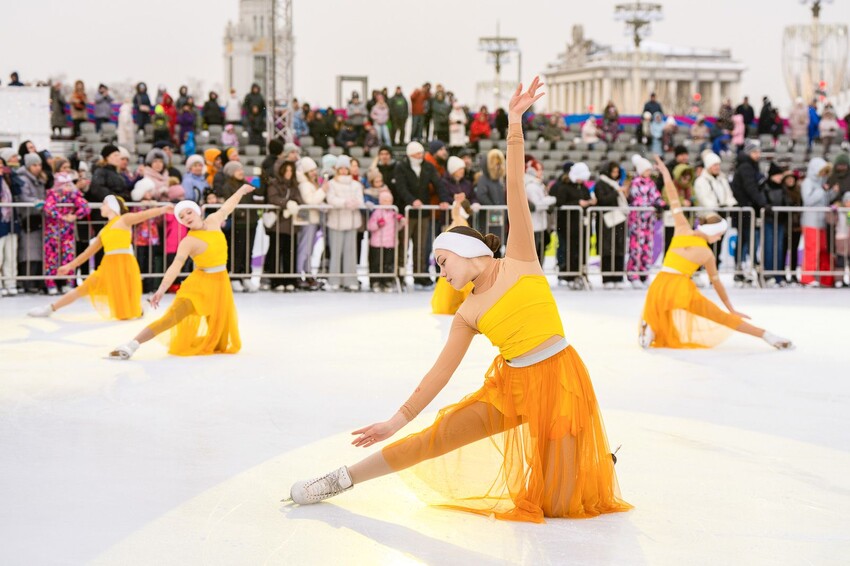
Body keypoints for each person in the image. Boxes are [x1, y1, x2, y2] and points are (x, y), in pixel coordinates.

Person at [286, 79, 632, 523]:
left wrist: (514, 123)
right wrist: (396, 420)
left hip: (561, 378)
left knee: (562, 504)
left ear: (468, 251)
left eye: (443, 260)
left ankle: (597, 463)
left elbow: (513, 187)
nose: (441, 272)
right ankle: (340, 478)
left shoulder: (521, 259)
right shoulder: (466, 313)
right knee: (435, 438)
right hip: (510, 387)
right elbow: (439, 373)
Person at [639, 156, 792, 350]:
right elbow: (717, 284)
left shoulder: (682, 228)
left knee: (660, 309)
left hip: (659, 284)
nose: (719, 238)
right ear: (713, 232)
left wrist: (665, 173)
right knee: (719, 317)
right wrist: (730, 308)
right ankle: (767, 336)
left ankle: (650, 329)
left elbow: (672, 195)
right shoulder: (707, 254)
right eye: (719, 234)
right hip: (681, 288)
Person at [108, 188, 251, 360]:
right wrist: (161, 289)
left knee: (219, 342)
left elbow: (227, 206)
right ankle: (132, 345)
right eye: (182, 217)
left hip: (221, 284)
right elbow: (175, 266)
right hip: (200, 286)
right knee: (172, 317)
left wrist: (241, 191)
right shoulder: (188, 242)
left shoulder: (213, 220)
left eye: (189, 212)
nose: (187, 217)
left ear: (197, 211)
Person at [27, 195, 170, 319]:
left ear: (111, 206)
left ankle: (140, 309)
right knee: (83, 289)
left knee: (126, 312)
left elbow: (143, 215)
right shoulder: (104, 231)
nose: (101, 207)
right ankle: (50, 308)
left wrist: (162, 209)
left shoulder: (124, 219)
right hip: (108, 266)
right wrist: (69, 266)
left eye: (104, 204)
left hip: (125, 265)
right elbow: (87, 253)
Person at [42, 171, 90, 295]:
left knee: (68, 256)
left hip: (68, 232)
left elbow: (85, 206)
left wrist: (75, 215)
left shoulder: (73, 195)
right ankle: (51, 283)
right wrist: (62, 217)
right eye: (65, 184)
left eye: (69, 184)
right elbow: (48, 208)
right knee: (51, 257)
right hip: (52, 231)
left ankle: (68, 282)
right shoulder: (52, 194)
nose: (68, 186)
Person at [430, 194, 475, 312]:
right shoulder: (460, 221)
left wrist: (457, 203)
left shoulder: (460, 220)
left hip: (455, 258)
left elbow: (455, 213)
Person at [325, 155, 364, 291]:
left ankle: (350, 280)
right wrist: (344, 202)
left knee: (350, 252)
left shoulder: (356, 184)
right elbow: (331, 199)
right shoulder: (331, 184)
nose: (343, 171)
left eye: (345, 168)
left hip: (352, 221)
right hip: (336, 221)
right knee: (336, 252)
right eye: (340, 168)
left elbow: (360, 199)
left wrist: (355, 203)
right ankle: (334, 280)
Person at [626, 155, 664, 288]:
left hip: (649, 221)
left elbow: (656, 196)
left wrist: (661, 204)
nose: (649, 172)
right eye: (647, 170)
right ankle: (634, 274)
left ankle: (644, 273)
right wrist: (650, 205)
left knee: (647, 248)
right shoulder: (635, 183)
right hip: (637, 221)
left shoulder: (651, 183)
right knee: (636, 247)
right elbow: (636, 200)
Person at [801, 157, 839, 287]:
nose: (824, 174)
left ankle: (825, 278)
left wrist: (832, 193)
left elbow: (824, 200)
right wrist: (822, 191)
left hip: (821, 222)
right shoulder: (808, 182)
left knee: (823, 249)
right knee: (811, 249)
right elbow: (808, 200)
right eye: (822, 171)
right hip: (810, 222)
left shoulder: (820, 185)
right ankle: (807, 277)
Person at [595, 162, 629, 288]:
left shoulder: (616, 184)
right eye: (613, 172)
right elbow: (603, 200)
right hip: (606, 221)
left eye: (617, 172)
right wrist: (617, 192)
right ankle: (607, 277)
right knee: (607, 249)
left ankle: (618, 277)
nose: (615, 174)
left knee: (619, 248)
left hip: (619, 220)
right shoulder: (601, 184)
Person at [366, 189, 405, 292]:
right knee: (376, 263)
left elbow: (397, 228)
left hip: (390, 243)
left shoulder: (393, 213)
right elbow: (370, 226)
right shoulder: (377, 213)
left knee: (388, 263)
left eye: (389, 201)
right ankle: (375, 281)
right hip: (377, 243)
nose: (387, 203)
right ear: (380, 201)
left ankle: (387, 281)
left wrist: (401, 222)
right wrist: (377, 224)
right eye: (385, 201)